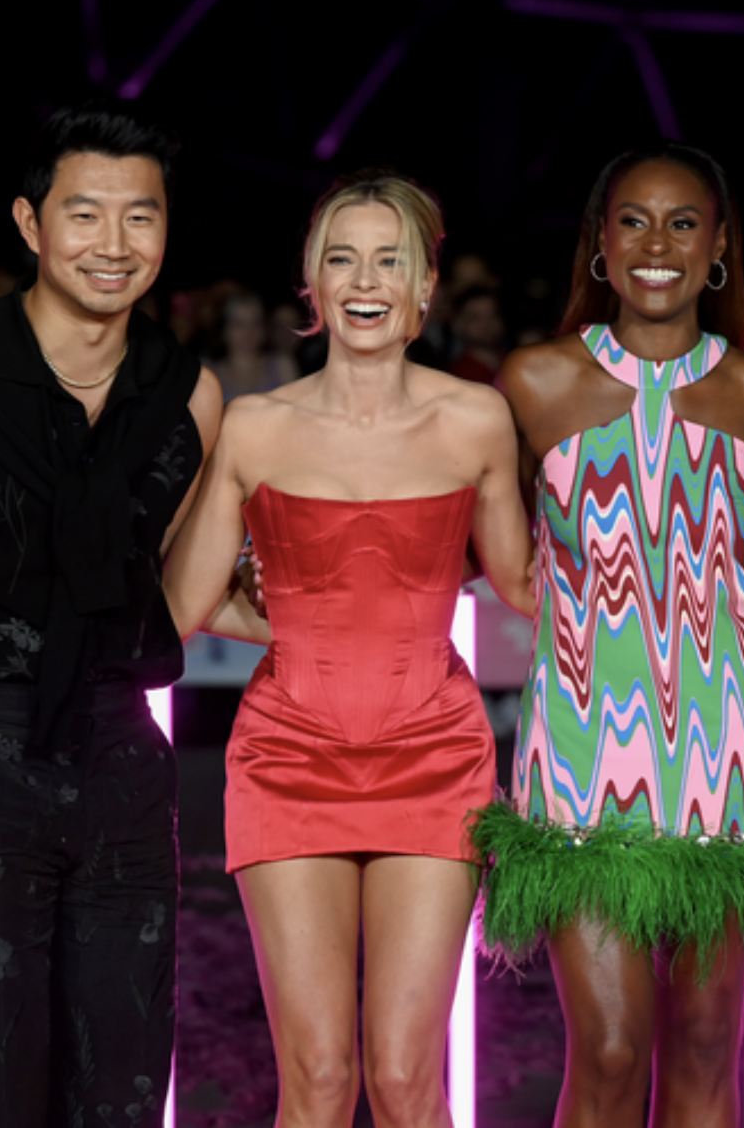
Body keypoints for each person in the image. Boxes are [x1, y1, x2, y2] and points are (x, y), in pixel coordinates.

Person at [470, 142, 744, 1128]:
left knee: (705, 1047)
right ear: (600, 249)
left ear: (718, 249)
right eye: (633, 222)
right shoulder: (532, 385)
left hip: (730, 758)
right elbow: (483, 548)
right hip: (578, 762)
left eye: (682, 222)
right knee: (609, 1052)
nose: (657, 244)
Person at [0, 105, 223, 1127]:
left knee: (123, 1075)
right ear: (29, 223)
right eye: (84, 214)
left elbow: (183, 585)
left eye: (140, 217)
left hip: (124, 759)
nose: (114, 245)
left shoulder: (189, 394)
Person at [164, 169, 535, 1127]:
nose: (365, 279)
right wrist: (302, 612)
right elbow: (182, 606)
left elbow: (525, 588)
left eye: (390, 260)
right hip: (288, 760)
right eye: (342, 258)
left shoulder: (476, 418)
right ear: (313, 288)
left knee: (409, 1084)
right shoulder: (256, 426)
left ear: (423, 290)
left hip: (434, 757)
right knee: (320, 1082)